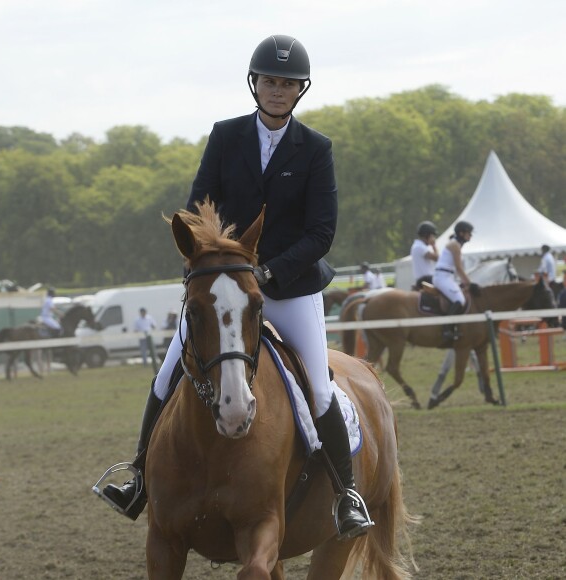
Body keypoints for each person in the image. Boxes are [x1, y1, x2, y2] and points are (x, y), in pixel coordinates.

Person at [97, 34, 372, 539]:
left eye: (287, 84)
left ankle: (347, 494)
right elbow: (200, 204)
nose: (276, 90)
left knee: (317, 383)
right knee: (166, 374)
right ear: (255, 84)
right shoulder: (226, 136)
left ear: (298, 91)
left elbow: (321, 232)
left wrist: (267, 273)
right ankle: (137, 475)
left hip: (289, 289)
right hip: (225, 286)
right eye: (269, 80)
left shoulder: (315, 149)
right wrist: (219, 260)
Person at [432, 221, 473, 341]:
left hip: (447, 276)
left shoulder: (457, 245)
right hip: (442, 276)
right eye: (468, 233)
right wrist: (469, 283)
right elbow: (459, 268)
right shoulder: (455, 245)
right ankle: (447, 329)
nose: (470, 235)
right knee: (459, 299)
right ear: (461, 233)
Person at [411, 220, 439, 290]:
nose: (433, 238)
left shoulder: (419, 246)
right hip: (426, 280)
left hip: (426, 279)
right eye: (432, 236)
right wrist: (434, 245)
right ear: (427, 235)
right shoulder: (419, 247)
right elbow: (437, 258)